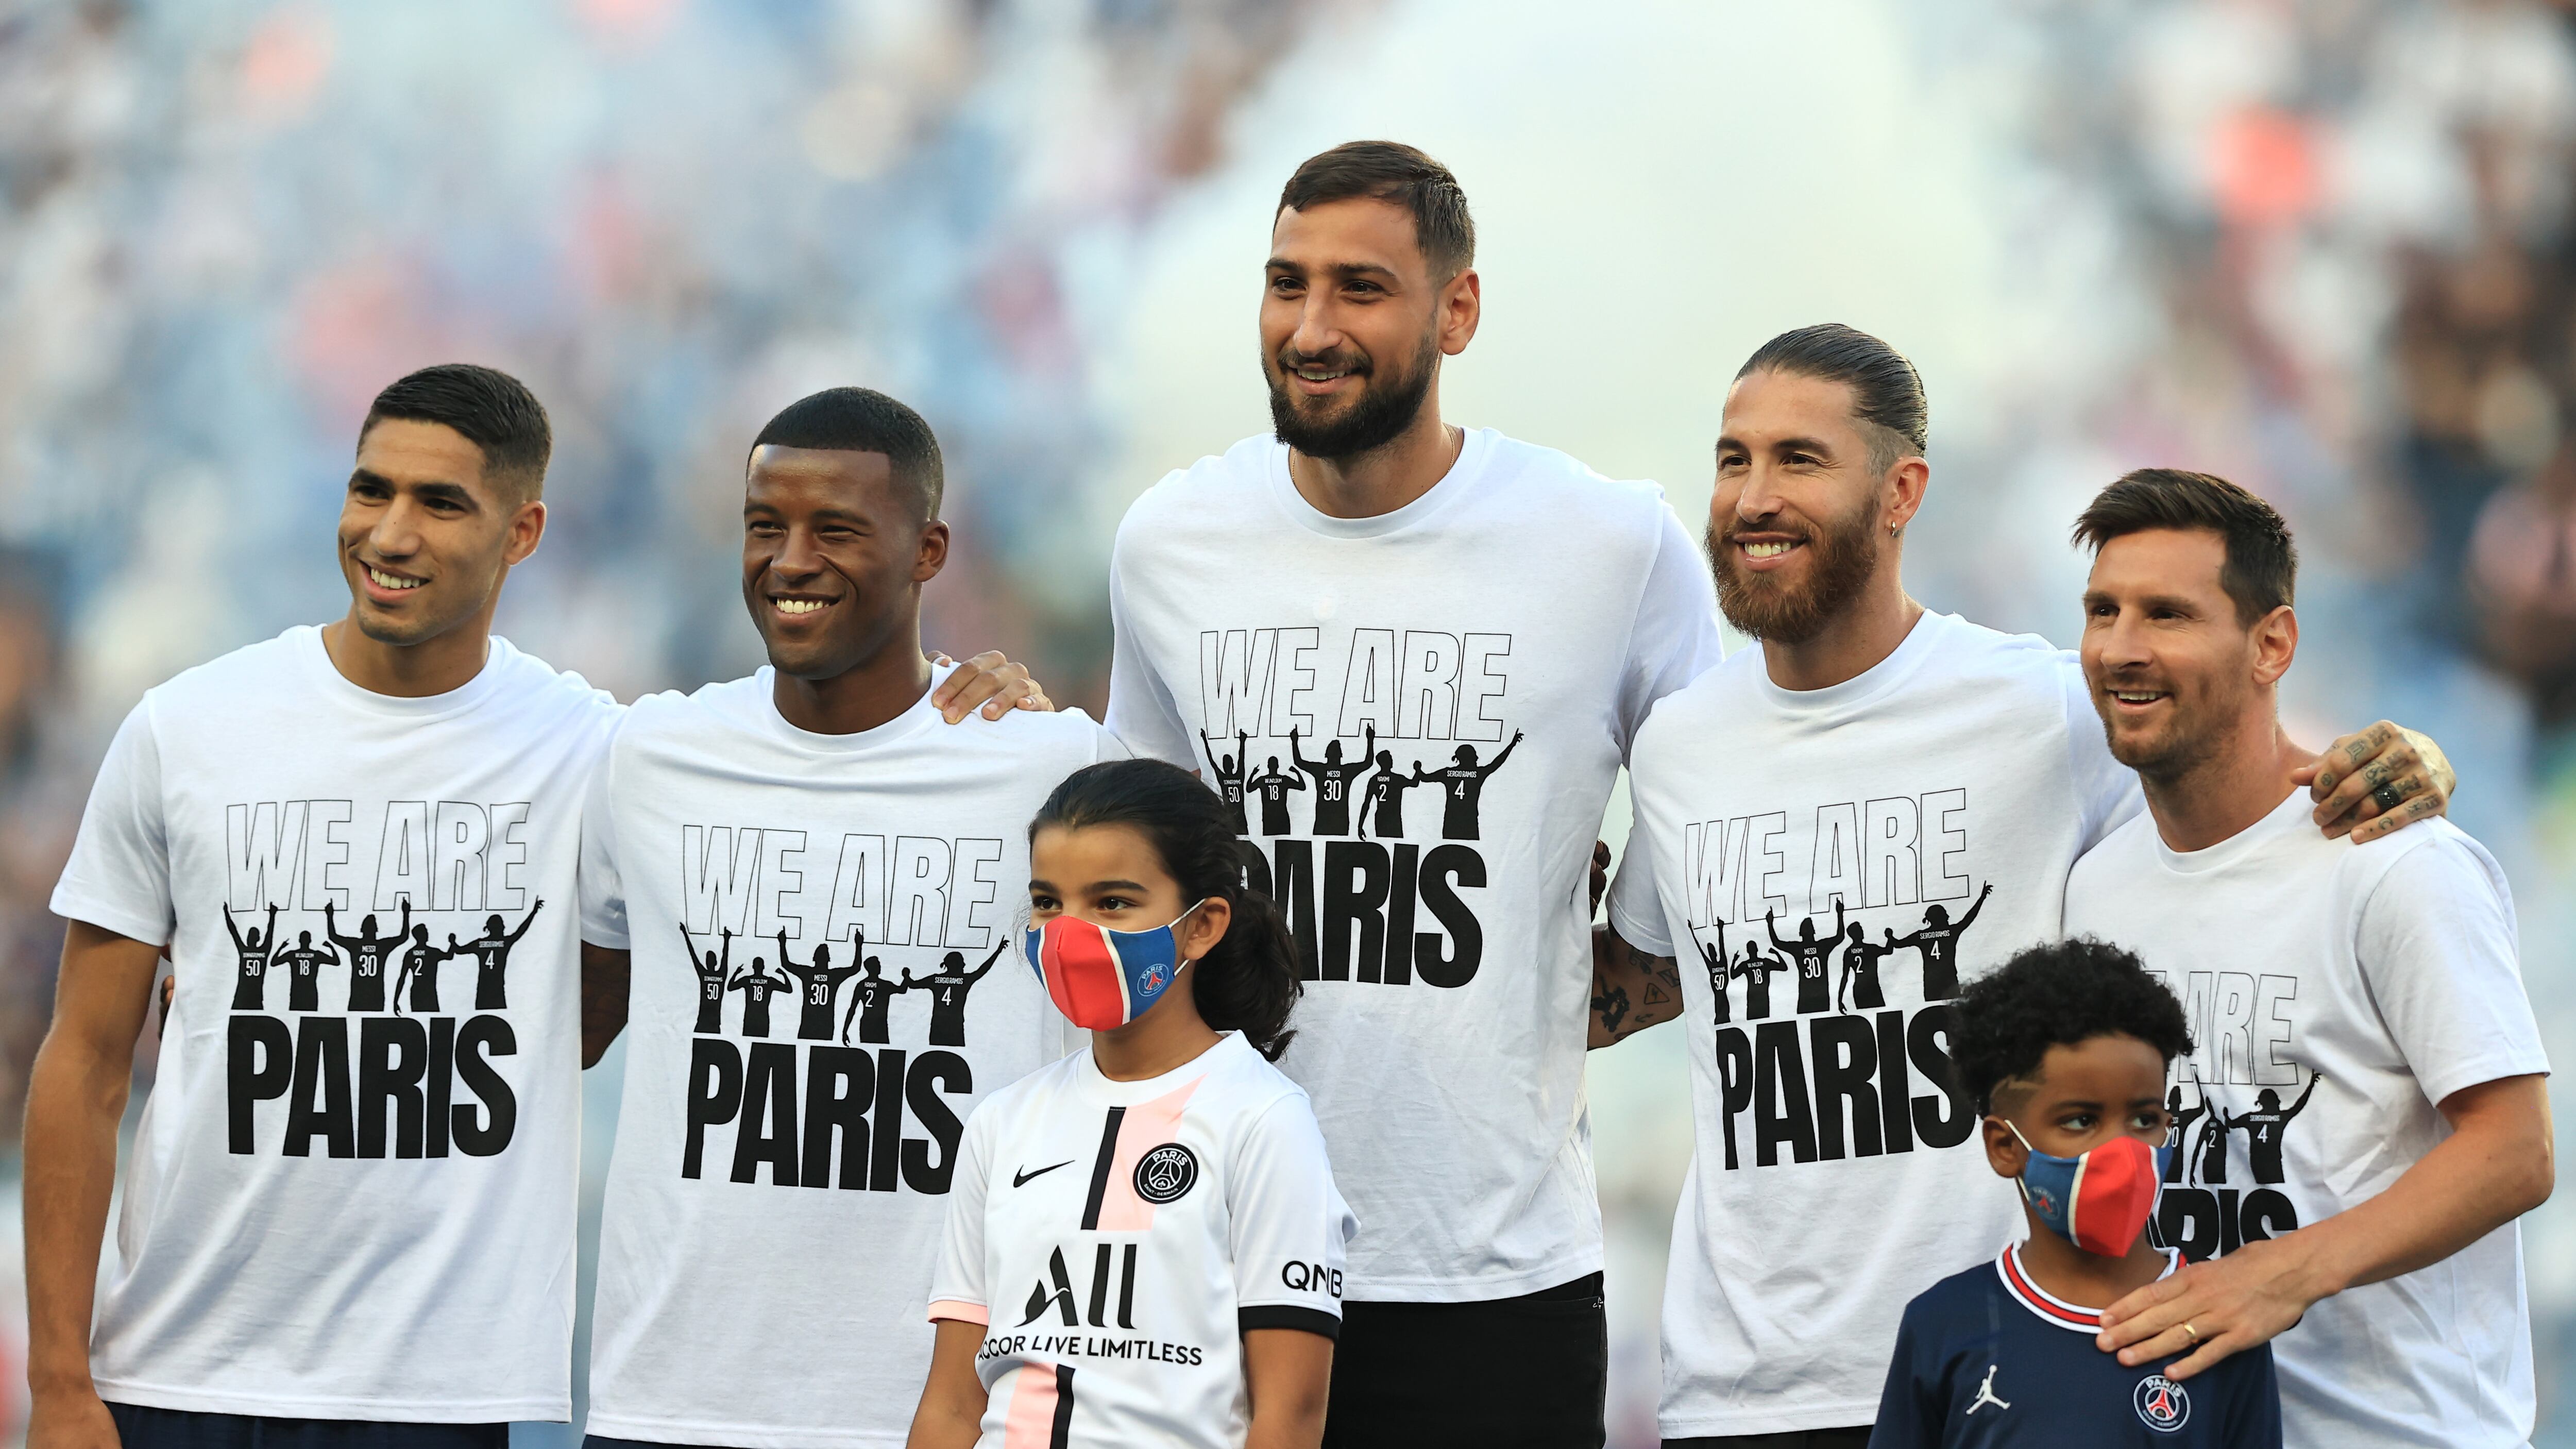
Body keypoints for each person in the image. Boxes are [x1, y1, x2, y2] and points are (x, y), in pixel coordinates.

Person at [1589, 326, 2458, 1447]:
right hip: (1736, 1388)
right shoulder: (1678, 747)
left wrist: (2405, 761)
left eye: (1797, 459)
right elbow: (1656, 979)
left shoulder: (2037, 709)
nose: (1752, 495)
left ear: (1900, 490)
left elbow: (2242, 780)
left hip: (2008, 1366)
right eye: (1732, 459)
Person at [1103, 140, 1726, 1446]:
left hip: (1493, 1278)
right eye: (1286, 284)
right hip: (1211, 1253)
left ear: (1457, 311)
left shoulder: (1609, 544)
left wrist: (1606, 974)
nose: (1312, 327)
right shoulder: (1171, 541)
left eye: (1360, 289)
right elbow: (1134, 865)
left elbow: (1718, 785)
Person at [28, 364, 619, 1448]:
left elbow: (595, 1007)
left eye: (440, 503)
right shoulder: (185, 728)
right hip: (173, 1371)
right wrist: (60, 1382)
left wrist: (986, 694)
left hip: (436, 1394)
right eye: (370, 489)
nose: (389, 533)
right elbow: (84, 1060)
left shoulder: (595, 749)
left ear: (522, 530)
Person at [575, 387, 1121, 1449]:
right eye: (764, 525)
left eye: (835, 529)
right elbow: (560, 1029)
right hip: (671, 1401)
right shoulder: (648, 759)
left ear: (928, 551)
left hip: (950, 1411)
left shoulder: (1051, 768)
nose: (789, 560)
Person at [2060, 469, 2553, 1448]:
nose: (2123, 647)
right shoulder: (2097, 885)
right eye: (2102, 611)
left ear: (2272, 643)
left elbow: (2516, 1150)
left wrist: (2282, 1270)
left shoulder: (2395, 860)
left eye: (2168, 613)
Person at [909, 758, 1352, 1449]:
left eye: (1112, 902)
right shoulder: (1002, 1121)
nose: (1068, 932)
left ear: (1202, 926)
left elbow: (1290, 1418)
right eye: (1048, 902)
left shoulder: (1264, 1120)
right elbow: (951, 1406)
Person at [1870, 938, 2281, 1447]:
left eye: (2144, 1118)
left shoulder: (2221, 1317)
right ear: (2004, 1146)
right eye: (2081, 1119)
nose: (2123, 1149)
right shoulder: (1942, 1323)